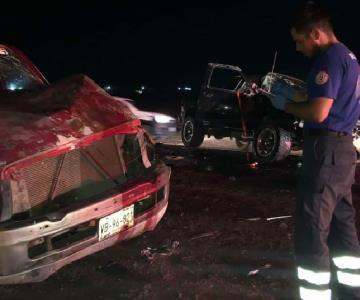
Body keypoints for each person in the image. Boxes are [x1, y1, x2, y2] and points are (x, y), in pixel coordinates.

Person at [269, 2, 360, 300]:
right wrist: (291, 92)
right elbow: (324, 97)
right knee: (342, 226)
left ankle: (314, 295)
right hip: (344, 151)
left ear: (316, 34)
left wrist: (286, 105)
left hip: (326, 151)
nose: (297, 47)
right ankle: (350, 292)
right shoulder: (349, 57)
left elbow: (319, 112)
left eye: (299, 40)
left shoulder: (328, 60)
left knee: (311, 229)